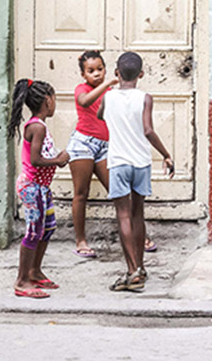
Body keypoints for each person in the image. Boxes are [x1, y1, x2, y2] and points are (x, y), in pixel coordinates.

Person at [68, 50, 157, 258]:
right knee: (81, 193)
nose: (96, 74)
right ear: (83, 74)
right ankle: (80, 240)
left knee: (121, 193)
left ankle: (137, 236)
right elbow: (85, 102)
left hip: (107, 146)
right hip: (83, 144)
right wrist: (107, 84)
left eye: (100, 69)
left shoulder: (115, 93)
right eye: (91, 71)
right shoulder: (84, 89)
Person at [98, 52, 174, 292]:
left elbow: (100, 115)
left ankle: (132, 271)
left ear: (116, 73)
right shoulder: (145, 98)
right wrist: (166, 154)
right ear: (141, 74)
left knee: (123, 215)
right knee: (138, 213)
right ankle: (139, 267)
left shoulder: (108, 97)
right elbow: (148, 130)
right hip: (141, 162)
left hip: (118, 162)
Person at [9, 78, 70, 298]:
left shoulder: (40, 125)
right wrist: (58, 160)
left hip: (42, 187)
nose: (55, 103)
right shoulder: (37, 127)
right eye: (54, 98)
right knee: (34, 231)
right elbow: (35, 160)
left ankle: (34, 271)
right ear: (47, 100)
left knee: (48, 227)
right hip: (32, 187)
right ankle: (22, 280)